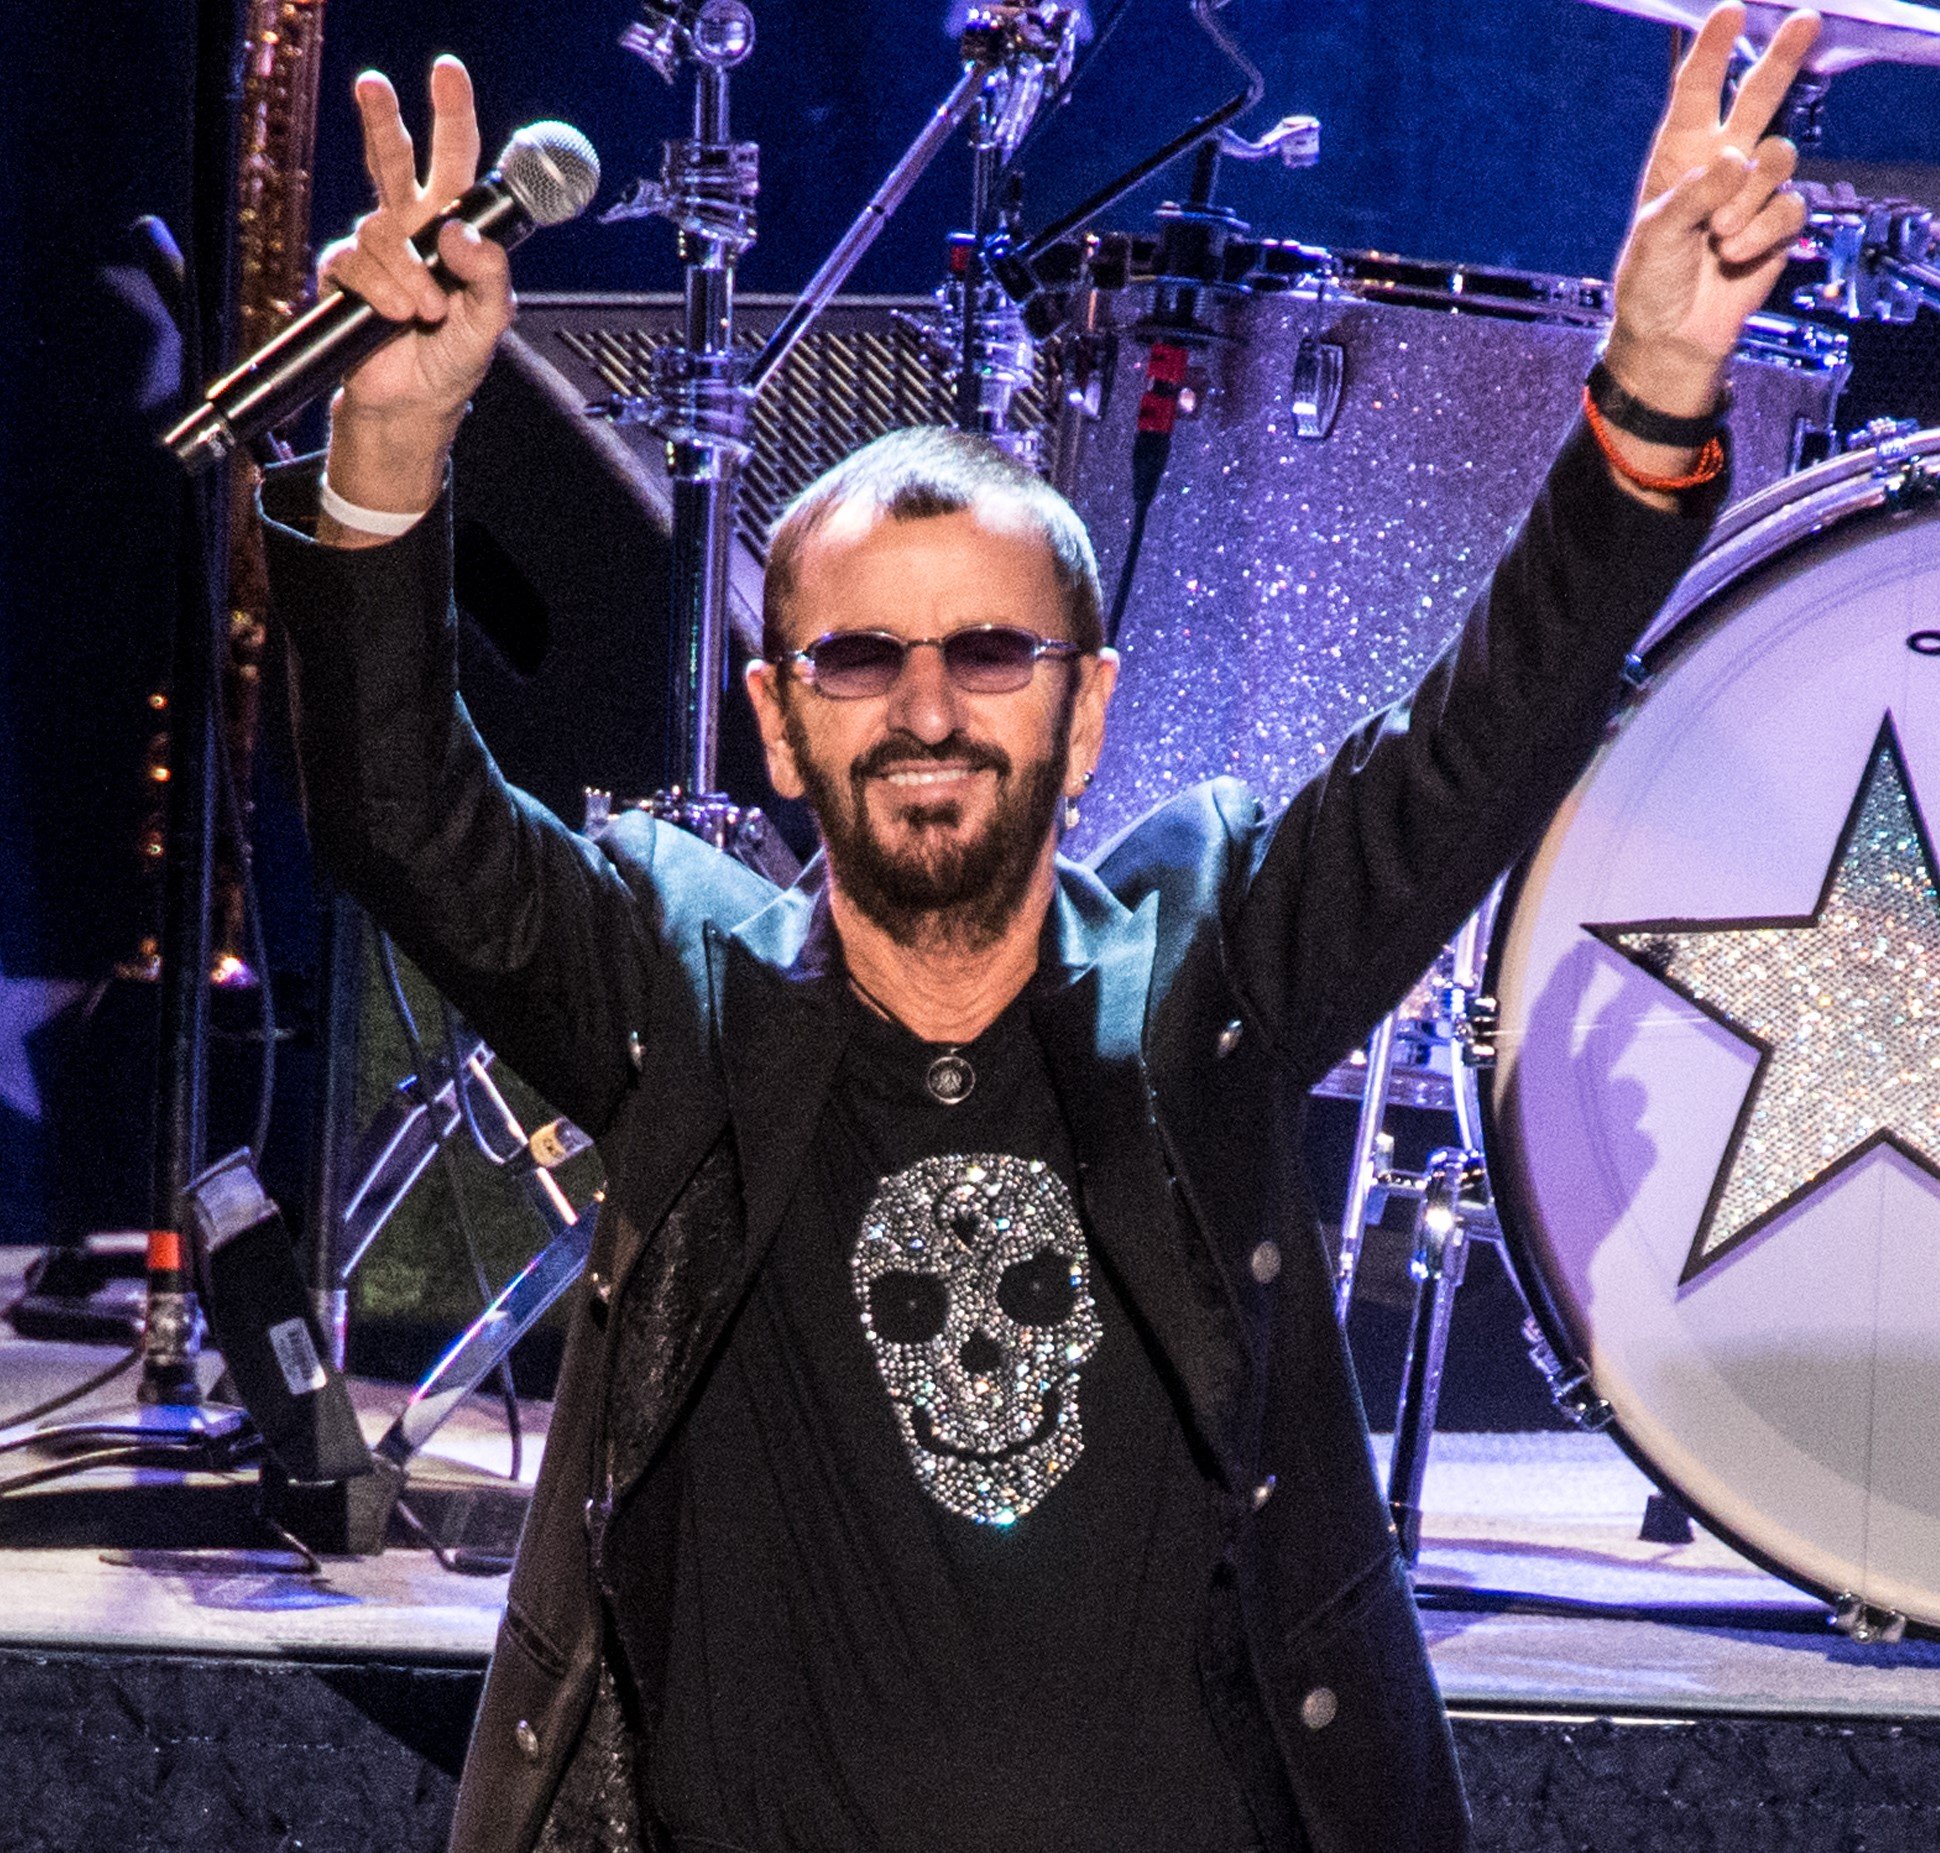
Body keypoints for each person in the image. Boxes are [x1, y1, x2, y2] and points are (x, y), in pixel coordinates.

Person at [259, 8, 1819, 1850]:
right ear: (777, 718)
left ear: (1086, 714)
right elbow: (397, 814)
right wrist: (385, 457)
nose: (927, 706)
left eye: (992, 652)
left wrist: (1644, 402)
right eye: (859, 656)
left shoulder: (1215, 962)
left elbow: (1482, 740)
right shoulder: (677, 997)